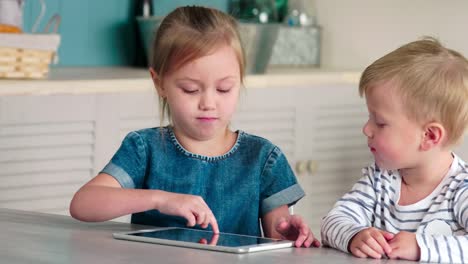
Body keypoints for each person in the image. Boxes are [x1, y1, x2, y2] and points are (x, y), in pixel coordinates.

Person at [69, 6, 320, 248]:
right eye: (190, 89)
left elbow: (278, 234)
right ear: (160, 84)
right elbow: (83, 204)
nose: (208, 103)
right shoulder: (144, 149)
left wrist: (289, 234)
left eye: (224, 89)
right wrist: (160, 199)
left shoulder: (264, 159)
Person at [320, 37, 468, 262]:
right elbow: (333, 221)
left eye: (380, 122)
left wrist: (421, 246)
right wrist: (355, 236)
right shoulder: (379, 180)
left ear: (429, 136)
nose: (366, 129)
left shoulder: (461, 189)